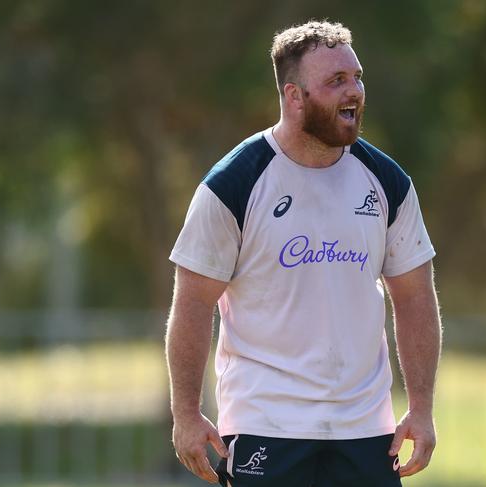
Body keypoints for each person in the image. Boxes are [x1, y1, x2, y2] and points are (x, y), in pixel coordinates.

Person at [165, 20, 442, 486]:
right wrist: (186, 414)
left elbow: (415, 297)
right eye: (336, 82)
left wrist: (422, 407)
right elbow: (192, 305)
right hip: (265, 425)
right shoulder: (234, 183)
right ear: (294, 96)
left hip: (365, 429)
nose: (353, 91)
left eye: (357, 77)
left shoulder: (388, 183)